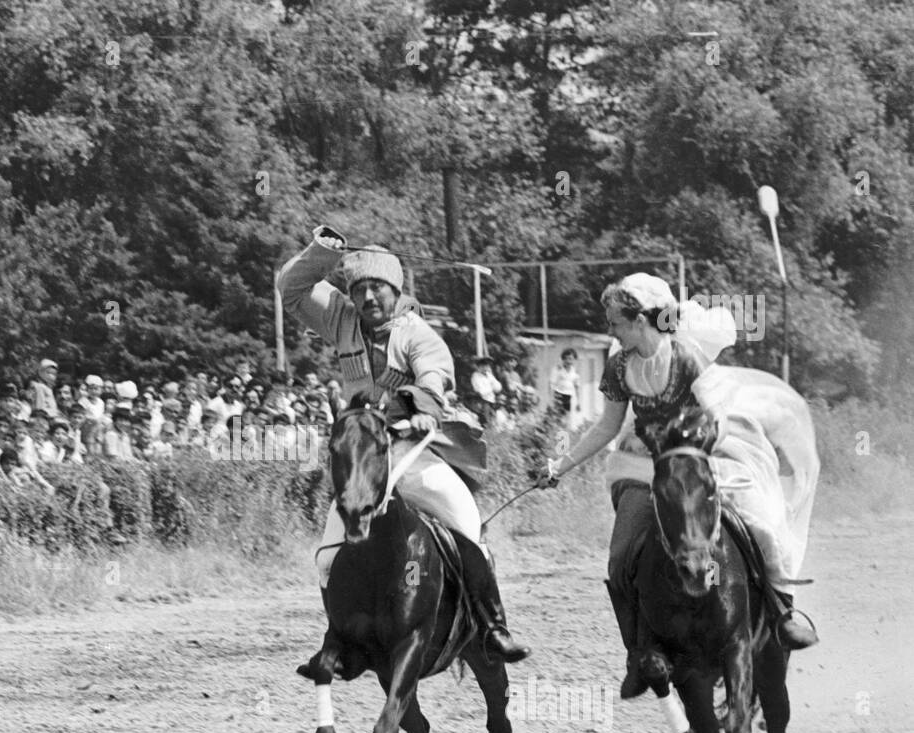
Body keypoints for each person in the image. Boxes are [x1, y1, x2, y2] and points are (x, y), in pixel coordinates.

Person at [537, 272, 819, 699]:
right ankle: (636, 654)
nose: (609, 329)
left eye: (615, 321)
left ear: (639, 320)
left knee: (761, 526)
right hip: (644, 462)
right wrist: (561, 465)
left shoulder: (685, 357)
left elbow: (717, 412)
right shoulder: (618, 367)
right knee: (619, 558)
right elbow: (607, 426)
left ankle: (783, 614)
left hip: (700, 457)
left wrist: (692, 446)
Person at [278, 224, 530, 662]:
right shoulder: (340, 317)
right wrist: (323, 251)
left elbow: (435, 374)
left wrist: (419, 409)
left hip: (412, 446)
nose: (368, 299)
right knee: (326, 558)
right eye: (359, 290)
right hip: (362, 454)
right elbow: (291, 287)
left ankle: (492, 626)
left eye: (378, 288)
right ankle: (337, 643)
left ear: (395, 289)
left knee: (468, 527)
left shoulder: (417, 333)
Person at [551, 347, 580, 417]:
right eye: (566, 358)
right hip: (558, 395)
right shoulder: (558, 369)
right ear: (563, 359)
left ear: (574, 360)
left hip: (569, 397)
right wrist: (551, 398)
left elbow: (577, 388)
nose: (568, 361)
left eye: (570, 359)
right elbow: (552, 383)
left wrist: (578, 402)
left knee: (567, 417)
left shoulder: (575, 372)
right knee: (557, 416)